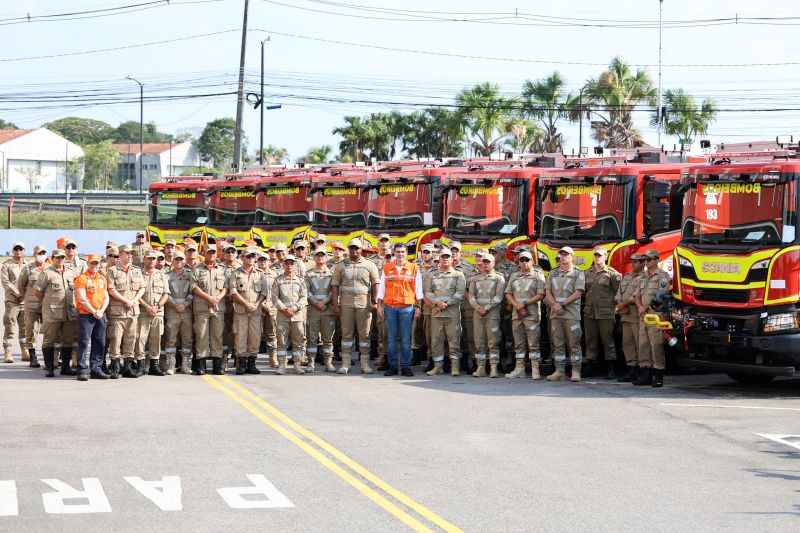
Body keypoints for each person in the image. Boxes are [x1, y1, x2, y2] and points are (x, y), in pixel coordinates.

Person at [331, 238, 380, 375]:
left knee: (364, 335)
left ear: (361, 250)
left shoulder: (370, 265)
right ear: (348, 249)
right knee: (346, 335)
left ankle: (364, 363)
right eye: (352, 247)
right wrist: (336, 305)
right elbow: (334, 286)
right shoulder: (341, 266)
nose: (354, 250)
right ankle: (346, 363)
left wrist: (374, 302)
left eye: (356, 248)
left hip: (364, 304)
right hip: (346, 304)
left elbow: (376, 284)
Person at [377, 244, 423, 377]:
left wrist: (418, 307)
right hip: (390, 308)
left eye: (403, 252)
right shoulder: (386, 268)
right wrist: (379, 305)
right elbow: (382, 289)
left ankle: (405, 367)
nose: (400, 254)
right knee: (391, 339)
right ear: (393, 253)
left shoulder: (414, 268)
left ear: (406, 253)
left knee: (406, 339)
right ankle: (392, 366)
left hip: (406, 308)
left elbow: (418, 289)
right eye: (397, 252)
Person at [34, 249, 79, 378]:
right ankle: (49, 368)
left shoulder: (71, 272)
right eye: (57, 257)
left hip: (69, 312)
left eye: (62, 257)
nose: (60, 260)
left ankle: (65, 367)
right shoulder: (46, 273)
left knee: (68, 340)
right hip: (52, 313)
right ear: (52, 258)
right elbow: (37, 291)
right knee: (49, 340)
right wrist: (47, 301)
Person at [544, 246, 585, 382]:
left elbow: (578, 292)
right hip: (556, 313)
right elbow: (548, 292)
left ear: (572, 257)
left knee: (574, 343)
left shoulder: (578, 273)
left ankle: (575, 371)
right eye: (561, 254)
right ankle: (560, 371)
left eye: (566, 254)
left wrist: (562, 305)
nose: (563, 257)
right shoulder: (553, 273)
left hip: (571, 314)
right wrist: (554, 305)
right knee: (557, 343)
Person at [504, 250, 547, 379]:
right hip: (517, 313)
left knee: (533, 342)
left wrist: (525, 303)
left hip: (531, 314)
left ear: (532, 261)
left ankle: (535, 370)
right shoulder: (514, 275)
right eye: (521, 260)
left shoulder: (538, 275)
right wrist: (515, 304)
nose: (524, 263)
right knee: (519, 342)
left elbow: (541, 294)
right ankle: (520, 369)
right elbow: (508, 293)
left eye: (527, 260)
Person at [423, 248, 466, 376]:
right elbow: (428, 292)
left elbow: (460, 292)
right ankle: (438, 366)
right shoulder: (431, 274)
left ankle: (455, 366)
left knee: (454, 340)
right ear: (439, 260)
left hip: (452, 312)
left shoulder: (458, 275)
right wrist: (437, 302)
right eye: (443, 257)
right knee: (436, 340)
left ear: (452, 259)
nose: (445, 259)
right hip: (436, 312)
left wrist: (447, 303)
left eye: (448, 256)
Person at [634, 249, 671, 388]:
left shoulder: (663, 276)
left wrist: (644, 307)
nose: (646, 262)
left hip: (656, 316)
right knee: (643, 345)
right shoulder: (642, 276)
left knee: (656, 346)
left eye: (649, 259)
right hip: (643, 315)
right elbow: (636, 294)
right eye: (645, 259)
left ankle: (659, 377)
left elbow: (660, 296)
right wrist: (639, 307)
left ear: (656, 260)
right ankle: (646, 376)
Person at [583, 246, 622, 379]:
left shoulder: (612, 274)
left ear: (605, 257)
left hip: (605, 313)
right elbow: (583, 292)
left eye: (600, 255)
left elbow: (619, 293)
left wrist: (616, 308)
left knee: (607, 340)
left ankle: (610, 367)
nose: (597, 257)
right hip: (590, 312)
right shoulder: (587, 273)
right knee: (590, 340)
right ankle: (590, 365)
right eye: (596, 255)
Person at [107, 244, 145, 378]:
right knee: (116, 339)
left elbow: (142, 288)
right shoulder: (112, 270)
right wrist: (125, 301)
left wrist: (134, 300)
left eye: (131, 254)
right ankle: (115, 367)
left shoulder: (136, 270)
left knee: (131, 339)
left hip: (133, 311)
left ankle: (127, 367)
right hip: (118, 312)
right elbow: (111, 289)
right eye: (127, 253)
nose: (130, 256)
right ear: (121, 254)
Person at [229, 246, 269, 375]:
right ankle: (241, 364)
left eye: (253, 256)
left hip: (255, 312)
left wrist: (256, 304)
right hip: (241, 311)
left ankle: (252, 363)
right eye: (249, 256)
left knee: (255, 338)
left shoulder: (260, 273)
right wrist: (246, 303)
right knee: (240, 337)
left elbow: (264, 292)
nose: (251, 258)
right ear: (242, 258)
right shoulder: (236, 273)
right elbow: (233, 292)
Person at [191, 245, 228, 375]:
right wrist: (208, 298)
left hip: (218, 308)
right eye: (209, 253)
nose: (211, 255)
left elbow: (226, 287)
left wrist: (217, 298)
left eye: (213, 252)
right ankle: (201, 365)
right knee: (201, 336)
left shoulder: (222, 269)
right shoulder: (197, 269)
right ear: (204, 253)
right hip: (202, 308)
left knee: (217, 336)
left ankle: (217, 366)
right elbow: (194, 287)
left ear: (217, 254)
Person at [468, 254, 506, 378]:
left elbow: (499, 297)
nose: (486, 264)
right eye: (484, 262)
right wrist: (478, 307)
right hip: (478, 313)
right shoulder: (476, 278)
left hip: (492, 314)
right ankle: (481, 367)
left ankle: (494, 367)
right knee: (479, 341)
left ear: (494, 263)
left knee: (493, 341)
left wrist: (486, 308)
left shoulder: (499, 278)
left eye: (488, 262)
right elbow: (471, 295)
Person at [74, 255, 110, 380]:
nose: (94, 266)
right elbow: (82, 299)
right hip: (86, 314)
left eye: (96, 263)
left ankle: (96, 369)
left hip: (100, 314)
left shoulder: (102, 279)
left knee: (99, 342)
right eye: (92, 263)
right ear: (88, 264)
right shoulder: (81, 279)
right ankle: (82, 370)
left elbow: (106, 297)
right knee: (83, 342)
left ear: (99, 264)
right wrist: (95, 311)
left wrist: (101, 311)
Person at [136, 251, 170, 376]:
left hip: (158, 312)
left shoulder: (162, 275)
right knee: (140, 338)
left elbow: (166, 293)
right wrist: (146, 306)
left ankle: (154, 365)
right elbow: (136, 293)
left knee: (156, 339)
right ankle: (140, 364)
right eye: (149, 258)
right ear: (144, 259)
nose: (151, 261)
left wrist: (157, 306)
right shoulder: (138, 274)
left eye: (153, 259)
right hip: (142, 312)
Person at [272, 254, 307, 375]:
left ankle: (297, 365)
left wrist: (294, 308)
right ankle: (282, 366)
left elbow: (304, 297)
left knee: (298, 342)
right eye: (287, 263)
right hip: (283, 316)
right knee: (281, 342)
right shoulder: (277, 280)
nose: (289, 265)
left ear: (295, 265)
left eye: (292, 263)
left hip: (297, 316)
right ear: (283, 265)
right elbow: (274, 297)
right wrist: (284, 309)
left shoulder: (300, 281)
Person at [615, 253, 646, 382]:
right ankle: (631, 369)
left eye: (636, 262)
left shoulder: (644, 277)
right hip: (625, 314)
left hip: (635, 314)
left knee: (639, 343)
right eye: (632, 261)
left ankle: (641, 370)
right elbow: (618, 294)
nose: (632, 264)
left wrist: (624, 304)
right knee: (627, 343)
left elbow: (637, 295)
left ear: (643, 263)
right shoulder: (627, 276)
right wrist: (620, 306)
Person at [17, 244, 49, 367]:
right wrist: (28, 298)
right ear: (34, 254)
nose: (41, 255)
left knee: (49, 331)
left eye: (43, 253)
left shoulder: (50, 268)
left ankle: (48, 357)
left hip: (47, 306)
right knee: (31, 331)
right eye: (39, 253)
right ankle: (33, 356)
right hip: (31, 306)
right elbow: (21, 285)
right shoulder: (28, 269)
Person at [305, 247, 336, 372]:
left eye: (322, 255)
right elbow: (305, 290)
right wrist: (315, 302)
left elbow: (334, 291)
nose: (320, 257)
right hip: (313, 310)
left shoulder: (332, 274)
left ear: (326, 257)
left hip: (328, 310)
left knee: (328, 339)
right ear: (314, 257)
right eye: (317, 255)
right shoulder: (309, 274)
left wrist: (325, 301)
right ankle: (311, 363)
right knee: (312, 338)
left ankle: (328, 363)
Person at [2, 241, 27, 363]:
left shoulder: (28, 265)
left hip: (26, 302)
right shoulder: (6, 265)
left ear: (24, 251)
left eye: (20, 249)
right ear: (12, 251)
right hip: (12, 301)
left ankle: (25, 351)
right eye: (16, 249)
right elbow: (6, 282)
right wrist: (17, 293)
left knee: (25, 328)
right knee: (9, 328)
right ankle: (8, 352)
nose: (18, 251)